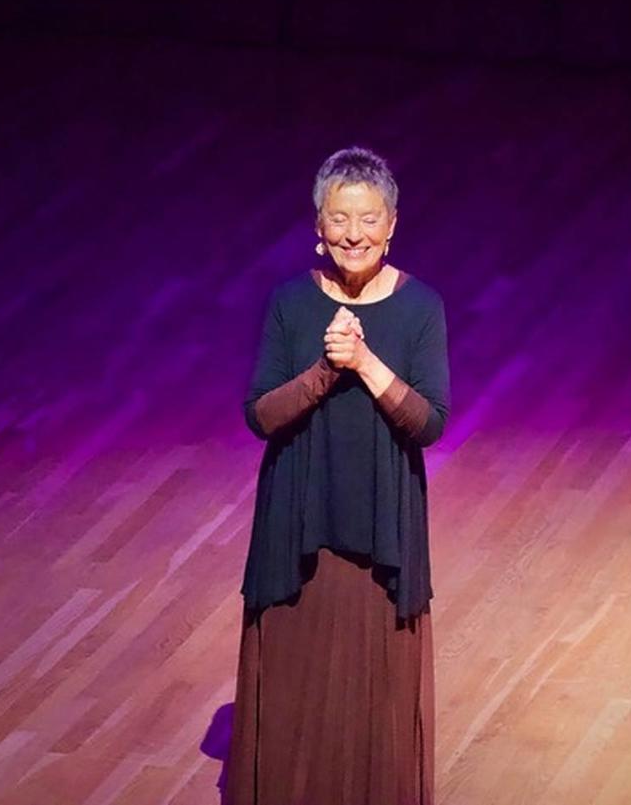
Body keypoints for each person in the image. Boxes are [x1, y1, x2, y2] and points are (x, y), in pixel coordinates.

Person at [224, 146, 451, 805]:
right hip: (300, 520)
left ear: (393, 224)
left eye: (370, 219)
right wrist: (326, 370)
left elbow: (429, 422)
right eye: (340, 219)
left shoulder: (422, 307)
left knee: (375, 686)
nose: (355, 234)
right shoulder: (291, 303)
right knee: (298, 687)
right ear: (317, 227)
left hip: (383, 527)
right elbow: (261, 414)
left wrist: (364, 362)